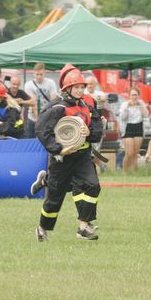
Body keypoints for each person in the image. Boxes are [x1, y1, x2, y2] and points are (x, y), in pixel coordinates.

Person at [34, 64, 104, 242]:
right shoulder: (57, 107)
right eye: (77, 87)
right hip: (62, 160)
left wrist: (90, 133)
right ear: (67, 89)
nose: (80, 90)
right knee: (55, 199)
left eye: (82, 87)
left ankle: (83, 228)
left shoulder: (88, 106)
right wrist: (58, 148)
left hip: (82, 156)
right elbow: (42, 129)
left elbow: (96, 127)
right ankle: (42, 228)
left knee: (92, 185)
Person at [24, 62, 58, 138]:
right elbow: (33, 103)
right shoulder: (29, 85)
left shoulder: (51, 83)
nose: (39, 77)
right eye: (37, 74)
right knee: (30, 140)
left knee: (46, 140)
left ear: (44, 73)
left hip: (47, 117)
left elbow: (53, 101)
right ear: (33, 74)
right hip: (33, 117)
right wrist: (38, 119)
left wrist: (47, 117)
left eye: (41, 74)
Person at [119, 87, 149, 171]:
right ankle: (124, 172)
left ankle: (134, 172)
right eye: (132, 95)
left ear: (138, 96)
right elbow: (122, 118)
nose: (134, 97)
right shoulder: (125, 104)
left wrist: (140, 106)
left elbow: (146, 114)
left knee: (135, 153)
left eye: (136, 95)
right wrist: (128, 107)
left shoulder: (141, 103)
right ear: (129, 96)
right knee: (129, 153)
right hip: (128, 128)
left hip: (138, 127)